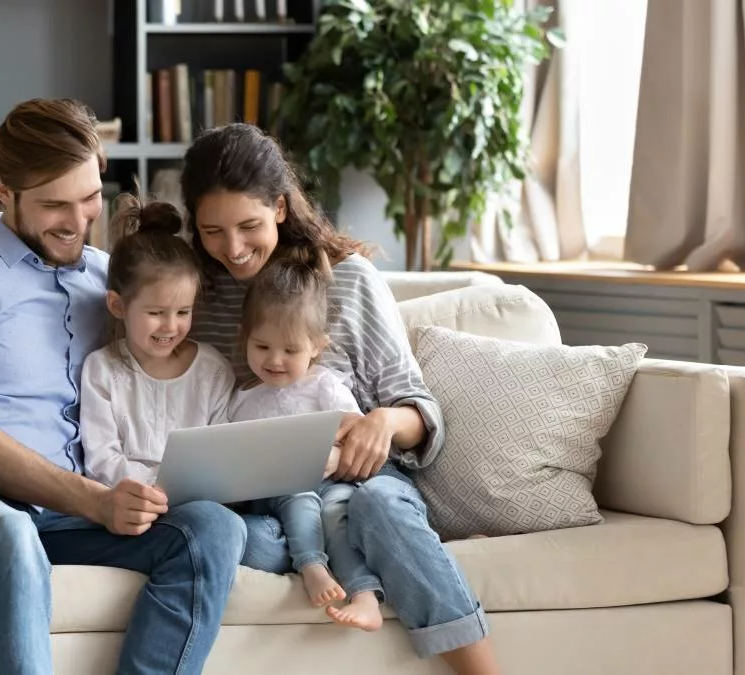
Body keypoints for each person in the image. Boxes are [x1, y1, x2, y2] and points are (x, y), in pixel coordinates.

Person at [0, 98, 245, 675]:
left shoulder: (104, 279)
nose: (78, 219)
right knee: (8, 532)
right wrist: (96, 500)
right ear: (3, 191)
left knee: (214, 528)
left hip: (52, 513)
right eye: (53, 204)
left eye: (89, 197)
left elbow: (182, 332)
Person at [184, 123, 499, 675]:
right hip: (266, 504)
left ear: (280, 207)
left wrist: (384, 420)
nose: (232, 249)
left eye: (249, 226)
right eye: (212, 231)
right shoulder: (195, 297)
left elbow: (421, 412)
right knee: (236, 537)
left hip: (356, 489)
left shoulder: (348, 281)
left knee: (377, 508)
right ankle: (358, 558)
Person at [225, 249, 383, 628]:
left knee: (337, 516)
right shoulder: (242, 398)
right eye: (262, 346)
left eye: (290, 350)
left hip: (330, 483)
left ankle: (364, 595)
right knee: (295, 496)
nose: (274, 359)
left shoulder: (326, 388)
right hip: (273, 494)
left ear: (316, 347)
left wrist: (332, 453)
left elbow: (355, 435)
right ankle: (311, 565)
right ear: (244, 339)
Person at [79, 195, 235, 487]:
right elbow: (102, 463)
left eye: (183, 312)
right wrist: (164, 485)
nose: (171, 326)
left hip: (201, 499)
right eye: (156, 312)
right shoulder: (101, 370)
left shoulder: (212, 370)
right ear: (118, 306)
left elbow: (223, 453)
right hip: (132, 505)